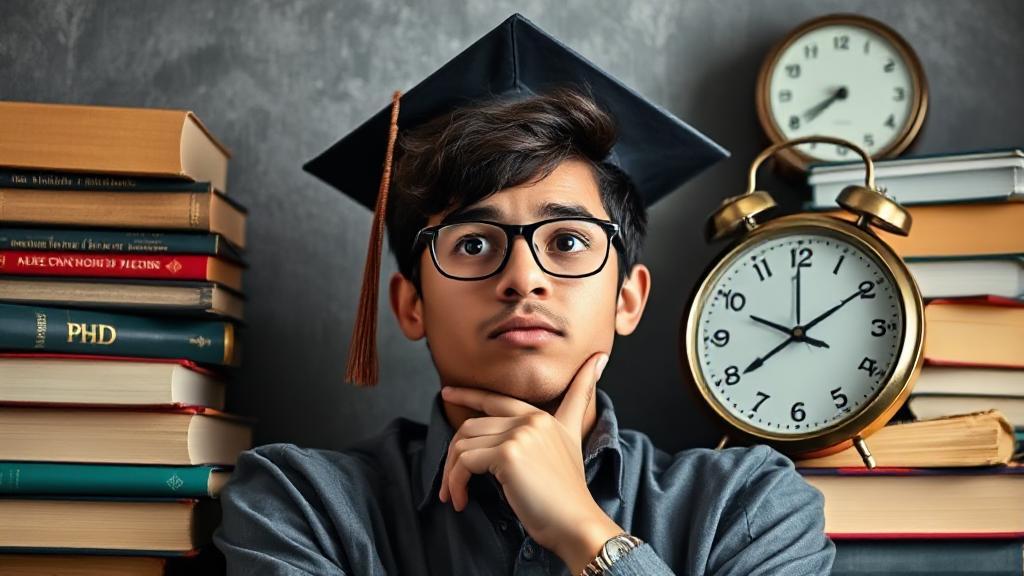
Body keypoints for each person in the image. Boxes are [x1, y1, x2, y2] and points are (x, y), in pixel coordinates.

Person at [214, 13, 835, 575]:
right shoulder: (301, 506)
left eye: (567, 242)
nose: (523, 277)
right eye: (475, 245)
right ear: (410, 305)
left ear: (628, 299)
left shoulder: (748, 506)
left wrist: (584, 531)